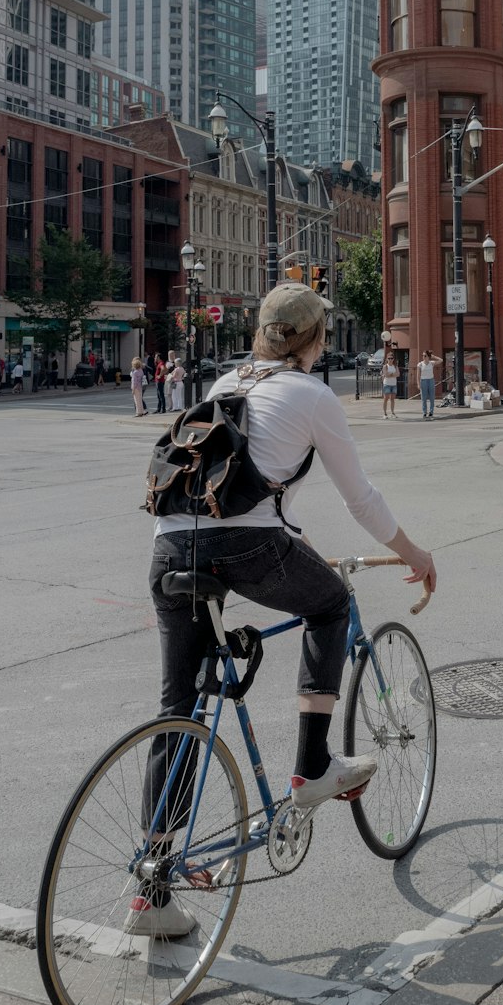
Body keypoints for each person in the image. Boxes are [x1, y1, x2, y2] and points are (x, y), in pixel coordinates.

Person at [141, 283, 436, 937]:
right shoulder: (312, 395)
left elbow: (249, 486)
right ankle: (311, 768)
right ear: (313, 339)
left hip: (169, 548)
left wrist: (296, 547)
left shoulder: (226, 383)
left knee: (179, 708)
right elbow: (360, 498)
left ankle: (152, 885)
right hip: (245, 548)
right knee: (331, 605)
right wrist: (416, 554)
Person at [417, 349, 443, 419]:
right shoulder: (420, 364)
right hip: (423, 381)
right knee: (424, 398)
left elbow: (441, 360)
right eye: (423, 356)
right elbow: (418, 375)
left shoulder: (432, 363)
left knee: (432, 397)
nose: (423, 357)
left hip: (431, 380)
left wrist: (434, 356)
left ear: (428, 356)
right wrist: (418, 384)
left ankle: (431, 412)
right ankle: (424, 412)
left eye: (425, 356)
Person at [381, 349, 399, 418]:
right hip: (387, 384)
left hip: (393, 384)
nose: (390, 360)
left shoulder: (395, 366)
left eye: (391, 358)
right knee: (386, 398)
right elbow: (386, 374)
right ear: (387, 359)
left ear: (393, 359)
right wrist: (392, 374)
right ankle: (385, 413)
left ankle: (392, 412)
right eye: (389, 358)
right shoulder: (385, 366)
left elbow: (398, 374)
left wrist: (390, 374)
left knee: (392, 399)